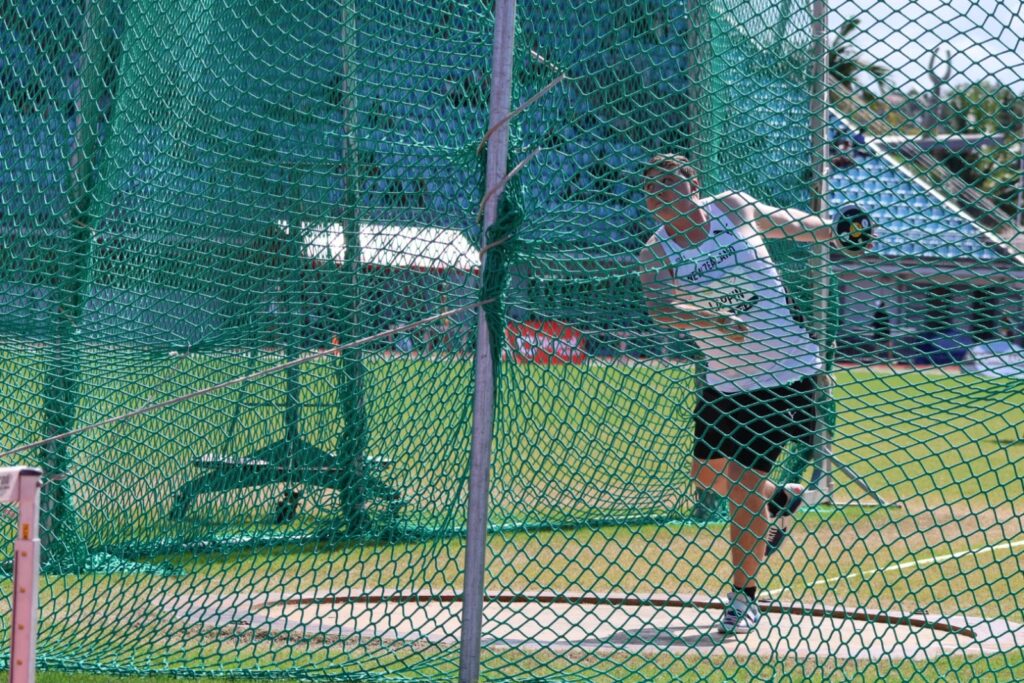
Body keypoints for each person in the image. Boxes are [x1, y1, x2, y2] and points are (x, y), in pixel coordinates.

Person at [636, 153, 872, 635]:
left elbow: (788, 225)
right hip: (725, 381)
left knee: (742, 489)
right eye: (651, 187)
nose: (659, 192)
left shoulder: (731, 208)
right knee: (705, 476)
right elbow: (661, 307)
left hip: (786, 373)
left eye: (669, 181)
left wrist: (833, 231)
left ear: (692, 183)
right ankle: (782, 499)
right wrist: (712, 320)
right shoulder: (656, 252)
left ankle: (743, 597)